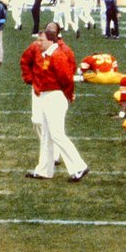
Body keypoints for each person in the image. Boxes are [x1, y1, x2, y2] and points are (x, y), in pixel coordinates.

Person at [19, 28, 88, 181]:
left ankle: (79, 166)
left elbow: (66, 79)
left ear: (50, 40)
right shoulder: (49, 54)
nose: (38, 43)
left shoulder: (57, 56)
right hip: (45, 96)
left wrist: (68, 96)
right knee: (46, 135)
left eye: (41, 40)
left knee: (57, 134)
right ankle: (44, 170)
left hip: (54, 97)